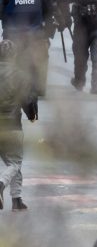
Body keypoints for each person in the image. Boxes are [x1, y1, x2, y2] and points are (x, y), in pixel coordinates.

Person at [21, 0, 69, 96]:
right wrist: (66, 20)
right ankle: (40, 86)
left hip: (24, 17)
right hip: (46, 20)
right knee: (42, 49)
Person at [0, 0, 49, 105]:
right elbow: (47, 11)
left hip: (11, 38)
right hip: (35, 37)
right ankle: (36, 89)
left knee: (9, 67)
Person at [0, 40, 37, 211]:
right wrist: (32, 116)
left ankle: (16, 199)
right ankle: (1, 184)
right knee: (14, 163)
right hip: (12, 125)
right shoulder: (20, 75)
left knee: (13, 164)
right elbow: (27, 100)